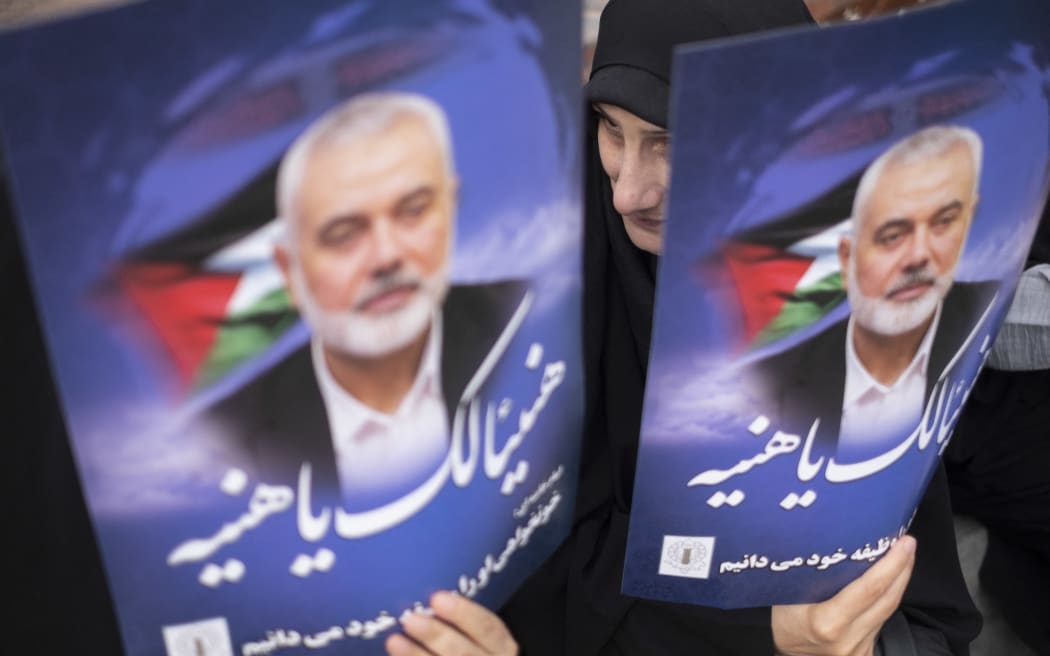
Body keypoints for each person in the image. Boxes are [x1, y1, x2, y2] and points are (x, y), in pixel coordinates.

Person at [384, 1, 980, 655]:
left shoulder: (844, 269)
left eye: (672, 143)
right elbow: (520, 564)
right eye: (611, 130)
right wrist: (760, 631)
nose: (627, 192)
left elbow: (920, 599)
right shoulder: (538, 271)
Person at [198, 92, 529, 504]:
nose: (386, 256)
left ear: (451, 208)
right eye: (344, 234)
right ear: (290, 271)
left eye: (413, 210)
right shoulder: (220, 442)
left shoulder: (531, 321)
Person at [749, 126, 998, 463]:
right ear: (846, 258)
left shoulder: (988, 315)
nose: (919, 256)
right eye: (892, 235)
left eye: (944, 222)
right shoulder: (769, 383)